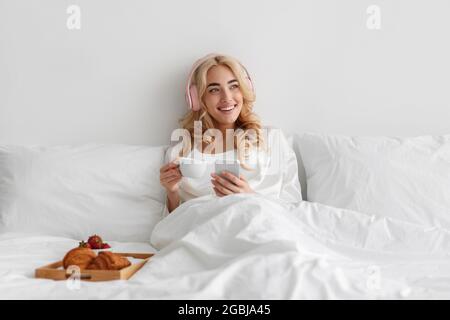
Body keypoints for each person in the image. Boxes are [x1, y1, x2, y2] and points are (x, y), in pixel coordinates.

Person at [159, 53, 302, 216]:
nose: (227, 97)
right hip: (205, 231)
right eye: (214, 90)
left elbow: (294, 210)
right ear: (198, 99)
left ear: (244, 90)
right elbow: (174, 225)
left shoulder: (272, 139)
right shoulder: (180, 154)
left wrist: (250, 197)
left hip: (257, 225)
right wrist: (172, 192)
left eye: (233, 86)